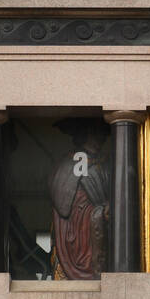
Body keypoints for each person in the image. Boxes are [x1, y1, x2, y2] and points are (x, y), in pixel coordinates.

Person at [49, 119, 111, 280]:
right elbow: (63, 204)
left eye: (103, 135)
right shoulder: (70, 164)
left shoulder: (102, 164)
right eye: (97, 134)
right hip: (75, 234)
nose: (101, 139)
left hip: (92, 232)